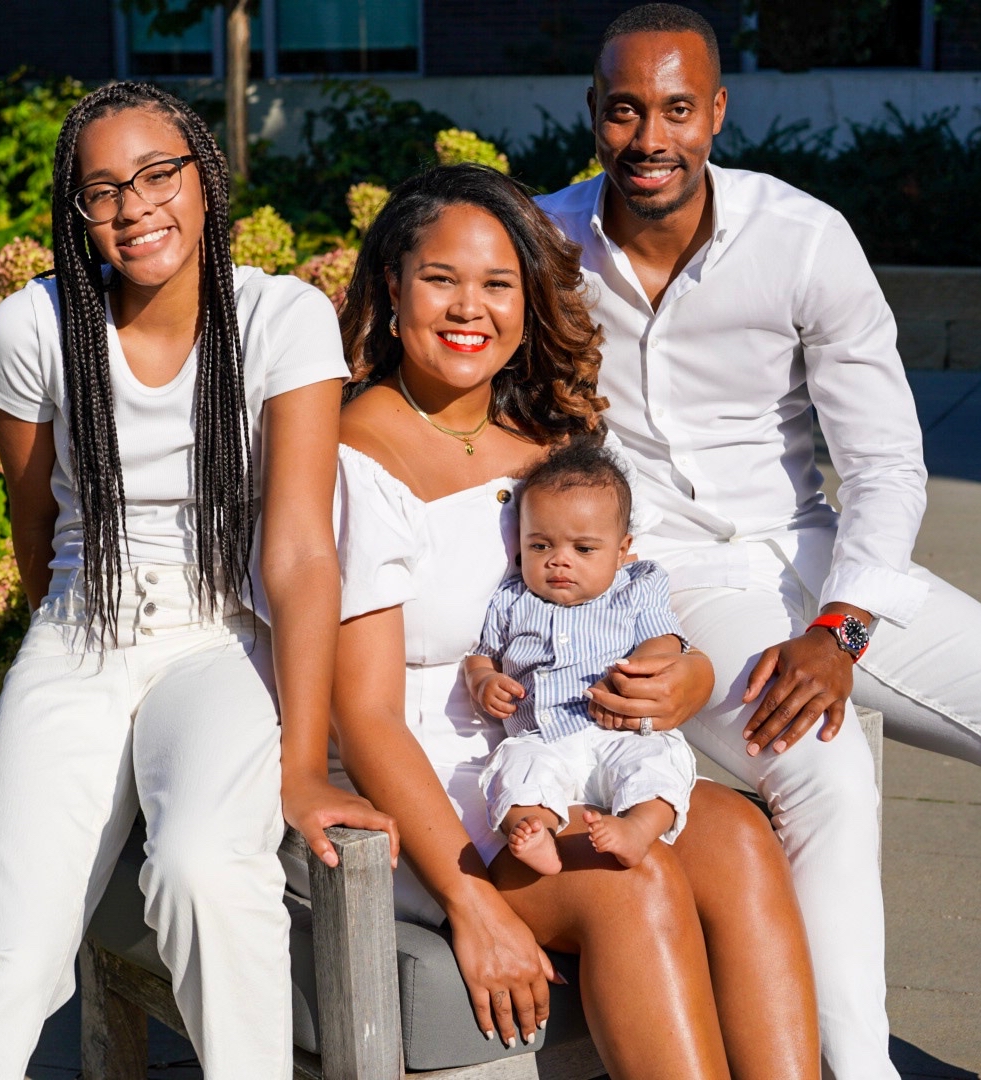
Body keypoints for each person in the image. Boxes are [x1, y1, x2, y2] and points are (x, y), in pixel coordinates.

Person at [534, 6, 981, 1080]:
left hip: (821, 557)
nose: (649, 137)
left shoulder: (800, 238)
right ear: (593, 116)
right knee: (820, 770)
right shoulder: (544, 245)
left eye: (676, 108)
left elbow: (885, 463)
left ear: (716, 112)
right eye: (624, 111)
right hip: (673, 580)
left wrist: (842, 626)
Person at [0, 82, 392, 1079]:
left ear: (203, 177)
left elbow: (297, 551)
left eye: (158, 173)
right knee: (11, 952)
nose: (134, 205)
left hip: (219, 640)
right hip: (80, 636)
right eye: (102, 188)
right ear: (76, 214)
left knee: (204, 870)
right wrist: (66, 673)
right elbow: (37, 528)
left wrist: (298, 762)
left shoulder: (279, 318)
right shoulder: (31, 329)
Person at [325, 162, 821, 1079]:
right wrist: (472, 904)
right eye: (440, 279)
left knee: (743, 838)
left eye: (498, 284)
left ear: (528, 301)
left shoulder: (555, 448)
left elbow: (641, 601)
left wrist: (693, 674)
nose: (469, 308)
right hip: (436, 799)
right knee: (638, 883)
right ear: (391, 289)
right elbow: (364, 720)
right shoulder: (356, 454)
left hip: (578, 750)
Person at [464, 441, 698, 875]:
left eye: (584, 549)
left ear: (622, 549)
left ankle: (639, 829)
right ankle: (534, 831)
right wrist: (483, 682)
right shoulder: (512, 599)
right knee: (515, 769)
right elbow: (482, 656)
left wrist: (634, 673)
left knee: (660, 763)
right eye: (540, 546)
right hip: (542, 737)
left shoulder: (636, 587)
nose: (559, 561)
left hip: (619, 733)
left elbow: (663, 641)